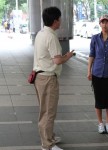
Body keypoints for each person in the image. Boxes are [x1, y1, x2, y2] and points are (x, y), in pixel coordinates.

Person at [33, 7, 74, 150]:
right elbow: (57, 60)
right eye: (60, 18)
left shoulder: (40, 33)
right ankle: (47, 145)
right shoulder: (51, 36)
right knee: (48, 113)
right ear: (55, 20)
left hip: (39, 77)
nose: (60, 21)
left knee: (45, 111)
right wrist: (67, 56)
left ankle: (49, 137)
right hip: (48, 78)